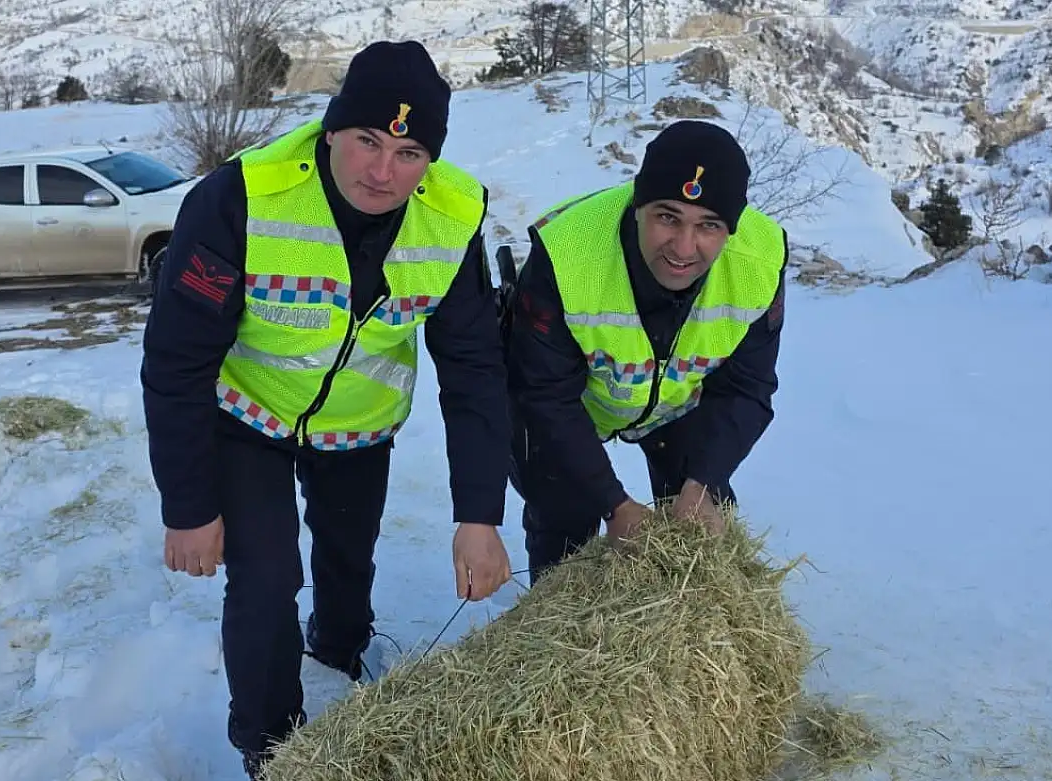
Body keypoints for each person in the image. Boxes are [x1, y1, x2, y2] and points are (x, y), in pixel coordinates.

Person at [139, 40, 513, 777]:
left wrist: (479, 515)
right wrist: (188, 506)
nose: (382, 171)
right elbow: (177, 360)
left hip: (359, 426)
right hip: (249, 416)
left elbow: (474, 370)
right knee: (265, 578)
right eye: (367, 140)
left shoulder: (453, 215)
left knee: (348, 557)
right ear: (332, 127)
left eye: (409, 153)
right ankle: (271, 746)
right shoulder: (242, 197)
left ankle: (339, 652)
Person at [502, 119, 788, 584]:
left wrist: (704, 481)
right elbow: (544, 394)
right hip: (567, 408)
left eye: (709, 225)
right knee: (565, 518)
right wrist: (612, 503)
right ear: (638, 205)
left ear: (731, 229)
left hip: (677, 403)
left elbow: (747, 387)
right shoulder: (567, 253)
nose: (683, 248)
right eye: (667, 217)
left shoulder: (759, 260)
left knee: (702, 520)